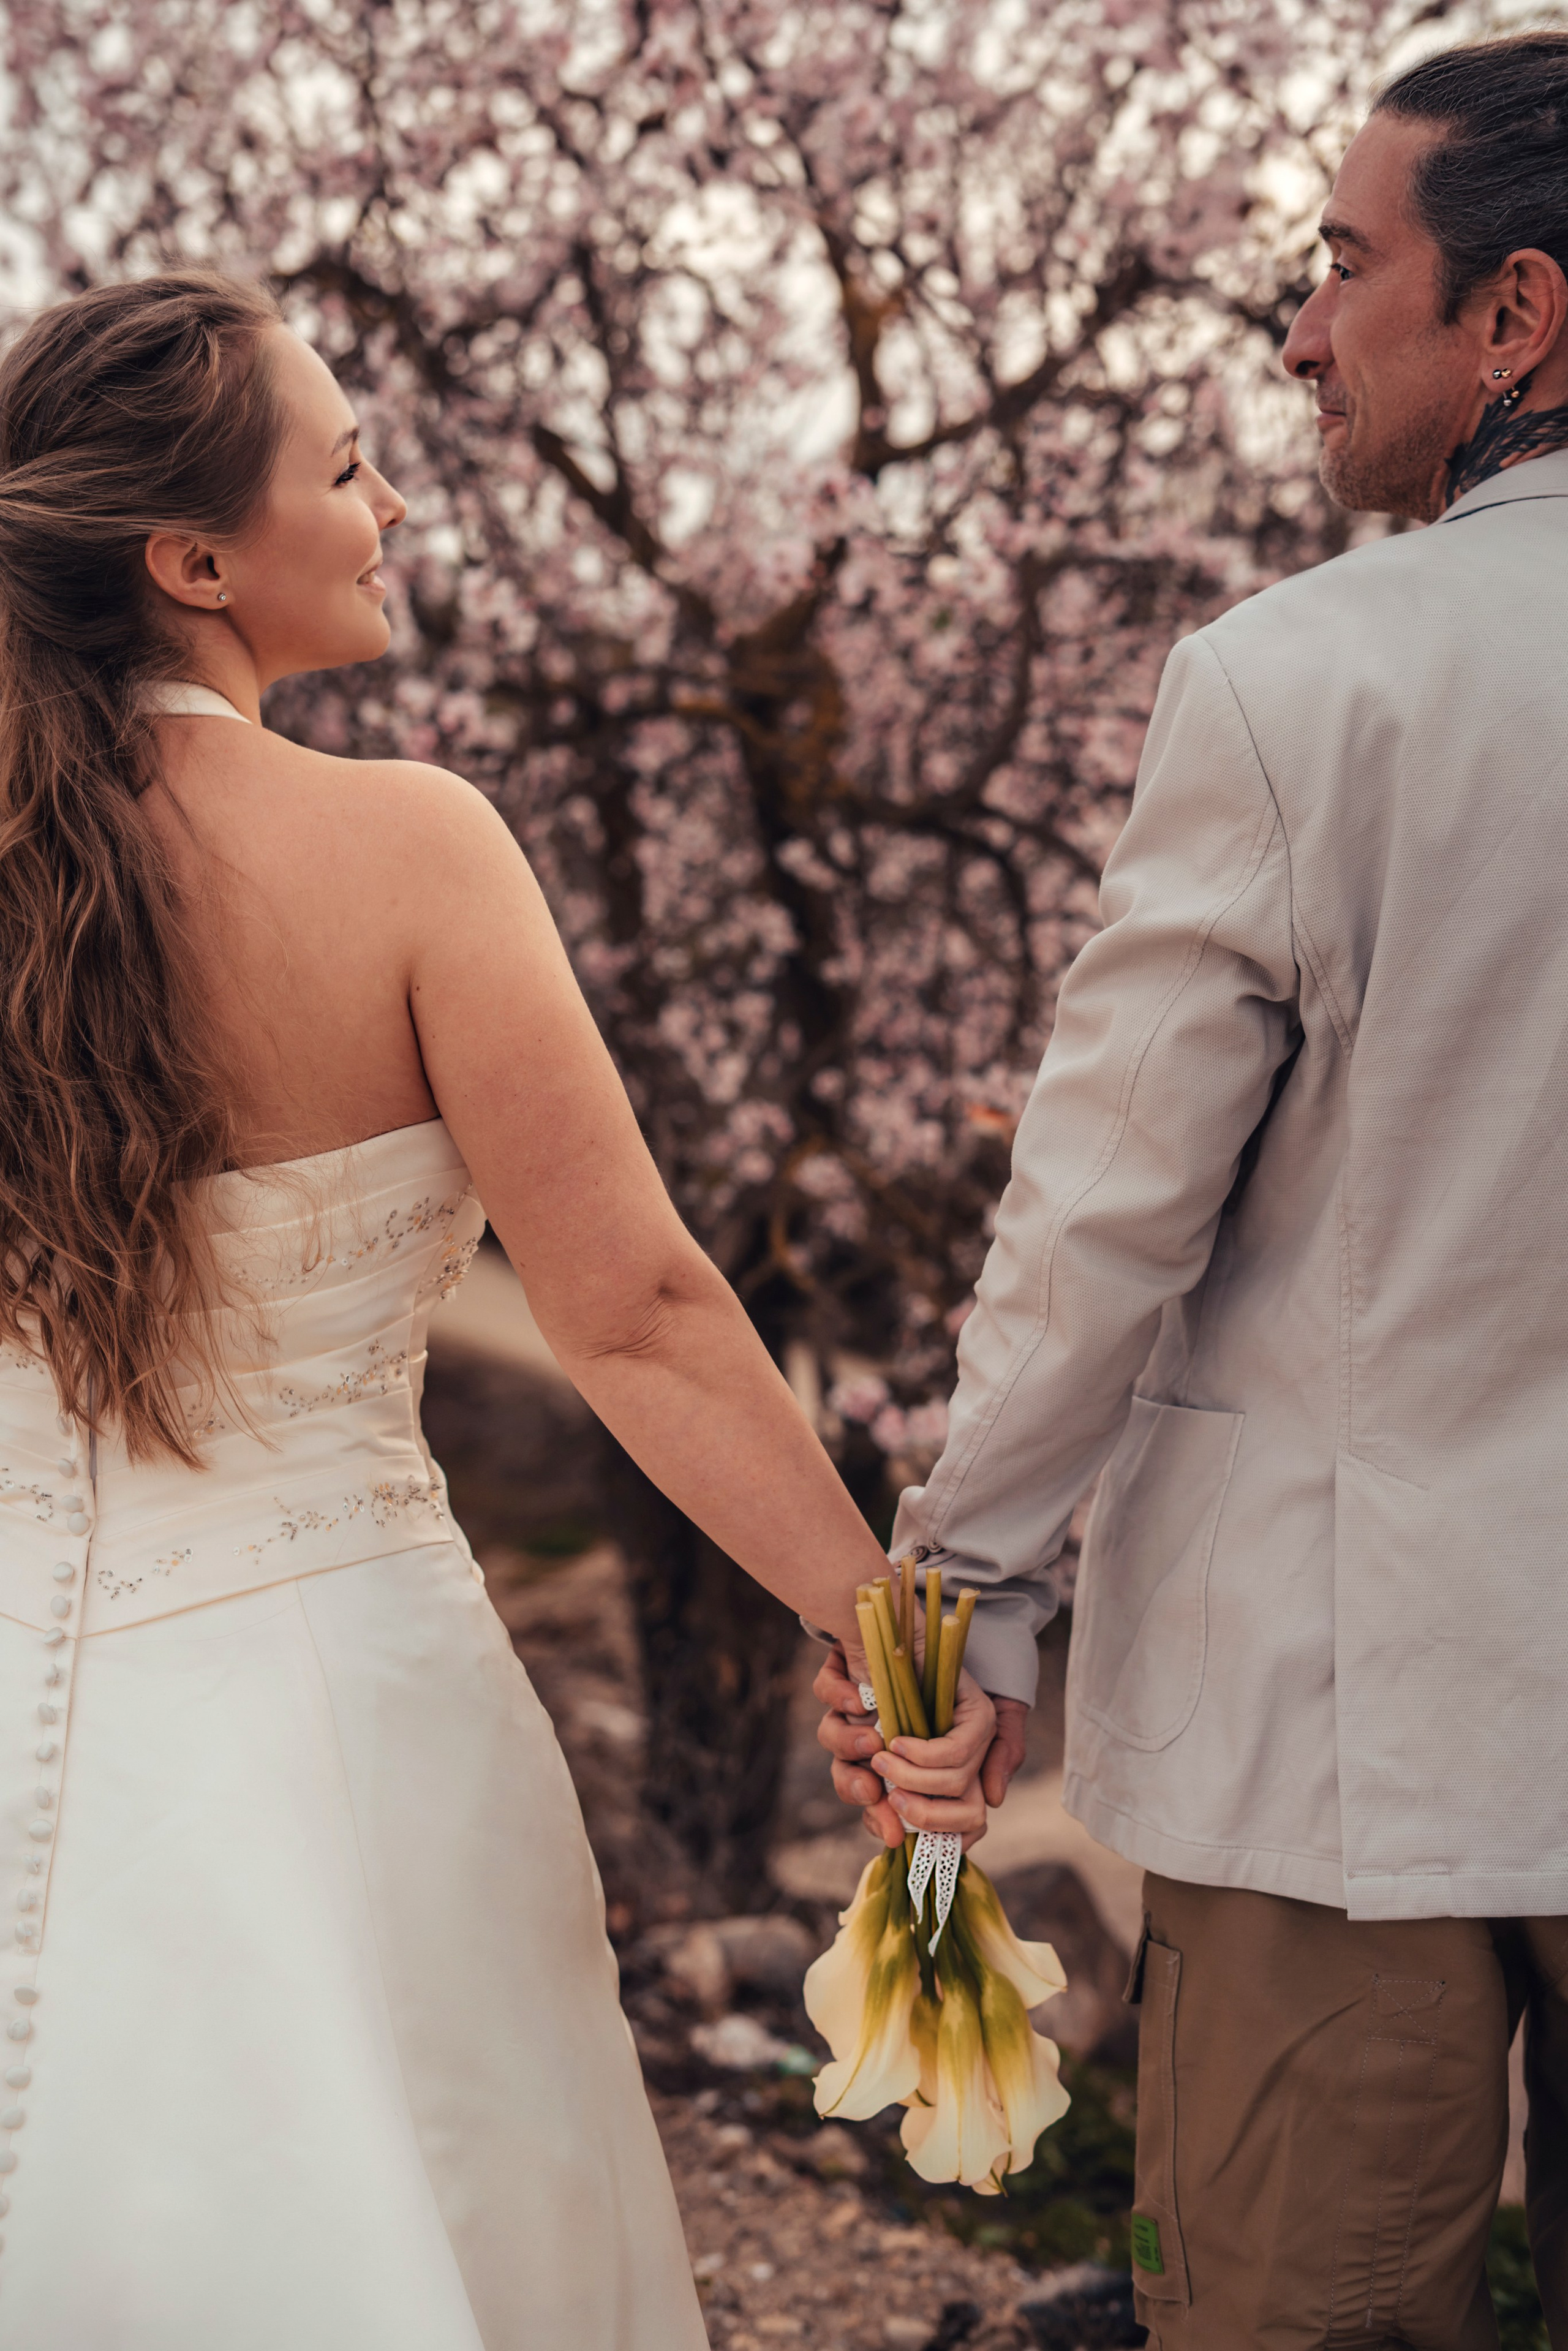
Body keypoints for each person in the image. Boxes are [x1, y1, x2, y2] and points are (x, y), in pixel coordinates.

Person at [0, 272, 997, 2348]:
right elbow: (632, 1306)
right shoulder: (410, 848)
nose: (394, 503)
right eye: (348, 465)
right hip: (349, 1702)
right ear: (191, 561)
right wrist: (878, 1637)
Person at [813, 31, 1568, 2348]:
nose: (1299, 328)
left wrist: (966, 1610)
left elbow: (1102, 1224)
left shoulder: (1304, 686)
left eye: (1348, 266)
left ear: (1519, 317)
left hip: (1359, 1749)